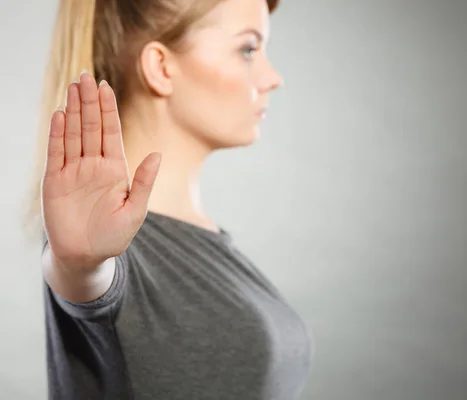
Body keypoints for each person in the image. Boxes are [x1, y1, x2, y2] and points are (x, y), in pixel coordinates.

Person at [26, 0, 315, 398]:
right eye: (248, 49)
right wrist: (78, 264)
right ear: (161, 68)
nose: (273, 77)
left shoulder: (204, 243)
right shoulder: (110, 248)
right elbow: (88, 276)